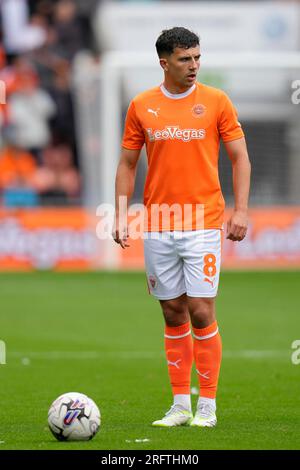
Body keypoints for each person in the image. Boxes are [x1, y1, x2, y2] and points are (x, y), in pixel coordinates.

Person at [114, 27, 251, 427]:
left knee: (201, 310)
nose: (193, 66)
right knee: (173, 312)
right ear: (164, 62)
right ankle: (179, 405)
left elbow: (240, 158)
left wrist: (240, 210)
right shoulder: (142, 105)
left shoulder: (216, 101)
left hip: (203, 222)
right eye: (185, 59)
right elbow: (127, 164)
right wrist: (122, 213)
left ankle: (206, 406)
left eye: (197, 58)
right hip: (158, 224)